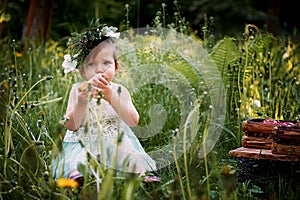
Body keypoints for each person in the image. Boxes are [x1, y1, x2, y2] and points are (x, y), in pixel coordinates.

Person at [52, 24, 159, 187]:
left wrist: (111, 97)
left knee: (128, 156)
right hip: (84, 141)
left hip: (116, 140)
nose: (99, 70)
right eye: (91, 64)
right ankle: (77, 176)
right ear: (82, 71)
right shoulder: (78, 91)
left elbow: (133, 121)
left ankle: (140, 176)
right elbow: (71, 125)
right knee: (79, 159)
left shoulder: (120, 90)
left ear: (116, 67)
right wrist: (81, 102)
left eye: (106, 63)